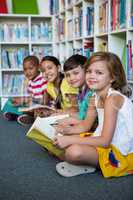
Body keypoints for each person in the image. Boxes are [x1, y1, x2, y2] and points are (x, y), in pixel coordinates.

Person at [54, 52, 133, 178]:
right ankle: (82, 161)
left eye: (99, 73)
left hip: (120, 151)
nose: (91, 76)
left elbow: (105, 141)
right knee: (59, 138)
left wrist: (69, 139)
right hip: (101, 140)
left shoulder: (112, 99)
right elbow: (85, 126)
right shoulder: (94, 96)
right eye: (89, 71)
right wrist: (65, 131)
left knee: (73, 151)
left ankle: (84, 163)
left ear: (112, 77)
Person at [16, 55, 48, 125]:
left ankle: (32, 119)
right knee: (24, 109)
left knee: (38, 113)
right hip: (36, 103)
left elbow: (46, 97)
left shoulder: (42, 78)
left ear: (38, 67)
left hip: (44, 104)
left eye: (30, 68)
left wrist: (38, 105)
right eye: (25, 69)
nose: (28, 72)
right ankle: (19, 116)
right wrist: (28, 103)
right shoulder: (30, 82)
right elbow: (32, 96)